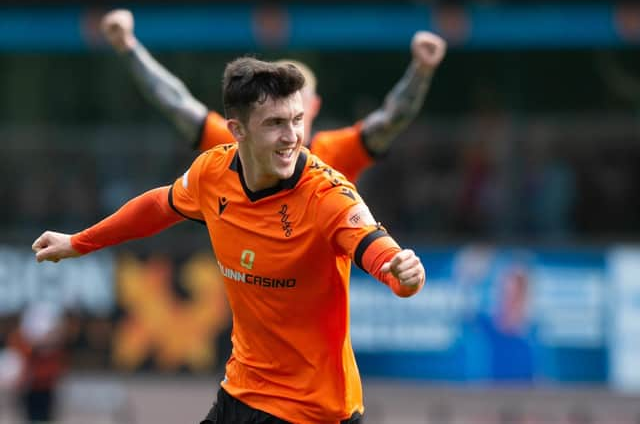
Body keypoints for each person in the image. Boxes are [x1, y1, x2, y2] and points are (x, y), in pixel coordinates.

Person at [32, 57, 426, 423]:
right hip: (242, 393)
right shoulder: (212, 172)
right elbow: (159, 205)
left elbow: (376, 248)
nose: (292, 137)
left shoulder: (327, 195)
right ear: (237, 129)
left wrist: (402, 275)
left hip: (314, 411)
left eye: (297, 120)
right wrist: (79, 242)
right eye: (275, 123)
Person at [100, 9, 446, 183]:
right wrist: (127, 46)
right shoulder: (237, 142)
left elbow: (390, 119)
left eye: (295, 102)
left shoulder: (332, 152)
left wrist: (421, 70)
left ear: (313, 106)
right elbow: (176, 102)